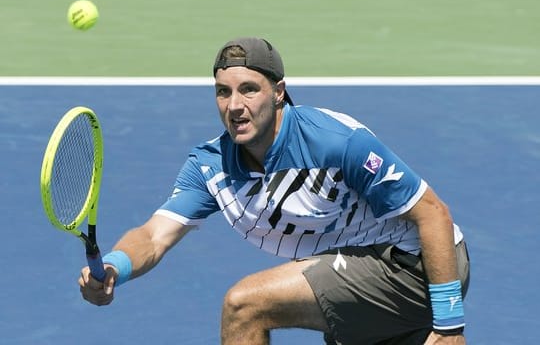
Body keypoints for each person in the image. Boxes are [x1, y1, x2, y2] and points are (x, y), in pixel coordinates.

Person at [79, 37, 470, 344]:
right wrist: (116, 265)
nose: (234, 105)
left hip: (417, 265)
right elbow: (153, 235)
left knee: (245, 304)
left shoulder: (335, 142)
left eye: (249, 89)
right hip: (351, 267)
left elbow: (432, 213)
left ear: (279, 92)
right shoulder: (209, 167)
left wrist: (450, 324)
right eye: (223, 92)